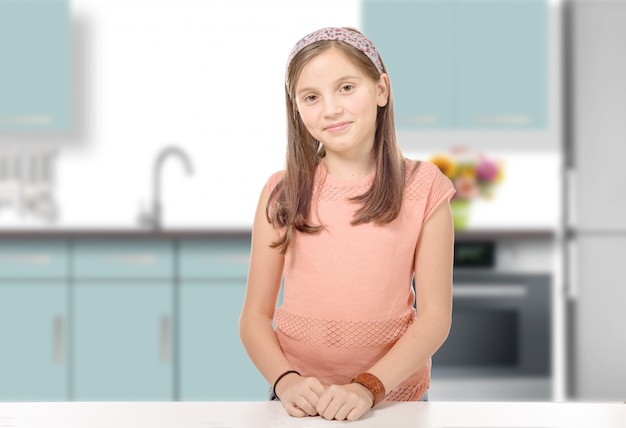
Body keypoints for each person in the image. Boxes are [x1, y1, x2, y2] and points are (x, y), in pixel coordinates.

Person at [239, 26, 455, 422]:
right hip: (297, 401)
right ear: (297, 111)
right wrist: (286, 382)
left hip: (393, 400)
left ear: (381, 90)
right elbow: (254, 317)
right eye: (311, 97)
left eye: (346, 88)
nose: (331, 109)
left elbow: (435, 317)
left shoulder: (426, 188)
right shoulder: (281, 193)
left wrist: (367, 387)